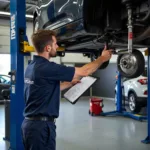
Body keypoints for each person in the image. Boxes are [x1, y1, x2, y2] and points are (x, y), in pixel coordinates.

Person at [21, 30, 112, 150]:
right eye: (55, 44)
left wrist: (69, 83)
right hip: (41, 128)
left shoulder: (31, 66)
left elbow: (45, 89)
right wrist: (102, 58)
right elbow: (85, 71)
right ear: (48, 48)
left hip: (31, 126)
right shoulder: (47, 68)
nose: (57, 46)